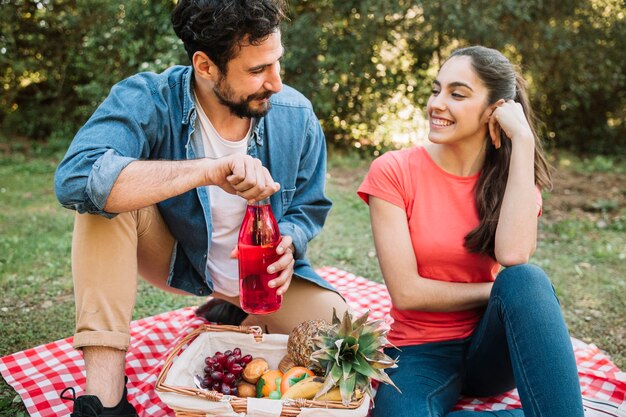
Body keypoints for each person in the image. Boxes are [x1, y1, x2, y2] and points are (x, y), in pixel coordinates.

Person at [54, 1, 347, 416]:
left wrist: (290, 239)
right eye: (257, 70)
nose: (277, 83)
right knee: (100, 200)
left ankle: (241, 319)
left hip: (264, 282)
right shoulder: (148, 98)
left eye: (277, 62)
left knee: (346, 341)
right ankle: (104, 401)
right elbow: (76, 178)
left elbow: (309, 205)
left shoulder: (296, 114)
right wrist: (207, 170)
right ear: (205, 66)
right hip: (178, 259)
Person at [358, 45, 584, 416]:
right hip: (420, 350)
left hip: (493, 348)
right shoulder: (393, 170)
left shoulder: (516, 177)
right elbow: (408, 292)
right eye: (436, 90)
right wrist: (498, 290)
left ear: (496, 109)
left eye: (457, 94)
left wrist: (523, 141)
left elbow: (513, 256)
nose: (437, 103)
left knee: (525, 279)